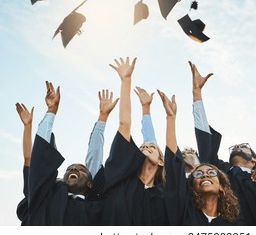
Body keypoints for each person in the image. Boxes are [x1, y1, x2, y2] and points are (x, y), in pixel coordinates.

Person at [188, 61, 256, 225]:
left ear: (254, 160)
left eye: (243, 146)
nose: (237, 147)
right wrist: (197, 94)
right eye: (235, 147)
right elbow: (205, 141)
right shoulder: (221, 171)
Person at [26, 81, 116, 225]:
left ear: (90, 184)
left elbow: (94, 156)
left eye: (81, 170)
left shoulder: (97, 209)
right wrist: (51, 111)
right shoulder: (46, 201)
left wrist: (102, 117)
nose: (73, 169)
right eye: (70, 169)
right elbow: (40, 158)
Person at [158, 89, 242, 225]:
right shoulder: (184, 213)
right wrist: (171, 118)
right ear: (192, 187)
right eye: (198, 174)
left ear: (221, 186)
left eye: (211, 172)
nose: (205, 175)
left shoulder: (234, 224)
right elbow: (174, 164)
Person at [102, 57, 169, 225]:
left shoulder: (165, 197)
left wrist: (147, 109)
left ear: (161, 161)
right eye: (142, 146)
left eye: (151, 146)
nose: (146, 145)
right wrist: (126, 81)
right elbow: (124, 124)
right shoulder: (120, 182)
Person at [15, 102, 34, 225]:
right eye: (70, 169)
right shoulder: (39, 194)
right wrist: (28, 127)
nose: (74, 171)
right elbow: (28, 159)